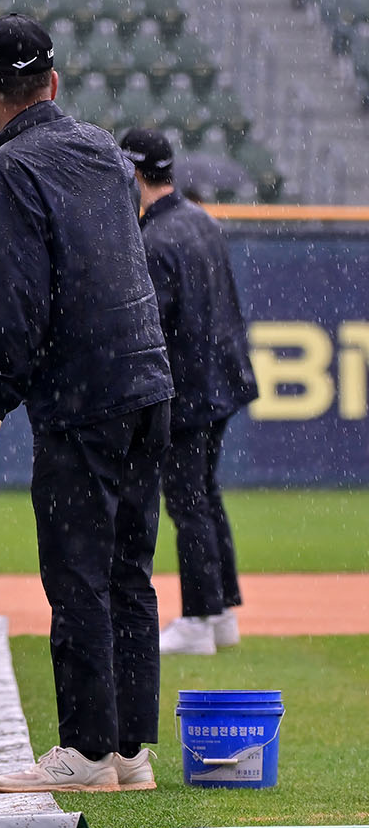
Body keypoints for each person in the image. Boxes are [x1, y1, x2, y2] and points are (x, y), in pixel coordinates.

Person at [0, 14, 174, 795]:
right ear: (56, 81)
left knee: (78, 574)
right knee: (128, 574)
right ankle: (129, 752)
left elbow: (24, 301)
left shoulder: (16, 168)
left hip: (85, 396)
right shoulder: (107, 151)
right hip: (150, 384)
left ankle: (84, 751)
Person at [119, 128, 258, 656]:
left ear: (134, 175)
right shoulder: (200, 220)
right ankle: (221, 612)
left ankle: (200, 618)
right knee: (205, 494)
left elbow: (155, 325)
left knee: (187, 501)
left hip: (189, 391)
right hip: (220, 382)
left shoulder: (156, 239)